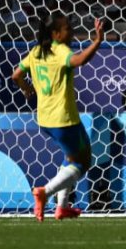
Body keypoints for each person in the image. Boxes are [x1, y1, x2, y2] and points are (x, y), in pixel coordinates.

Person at [12, 13, 105, 221]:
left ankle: (62, 208)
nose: (71, 31)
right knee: (82, 163)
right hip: (64, 119)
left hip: (45, 119)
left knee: (69, 158)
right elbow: (79, 60)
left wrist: (26, 88)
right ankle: (45, 192)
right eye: (67, 29)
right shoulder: (61, 50)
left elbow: (16, 75)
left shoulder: (36, 51)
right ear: (56, 34)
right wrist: (97, 41)